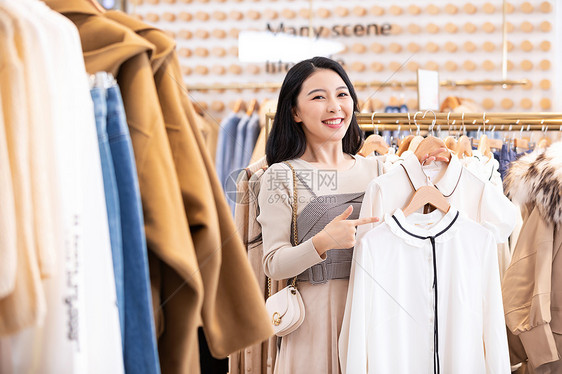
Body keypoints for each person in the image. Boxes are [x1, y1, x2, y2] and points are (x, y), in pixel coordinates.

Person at [256, 56, 381, 374]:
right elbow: (273, 263)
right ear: (294, 112)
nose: (334, 106)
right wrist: (322, 242)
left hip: (372, 316)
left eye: (342, 94)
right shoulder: (281, 175)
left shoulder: (379, 169)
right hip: (314, 322)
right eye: (318, 97)